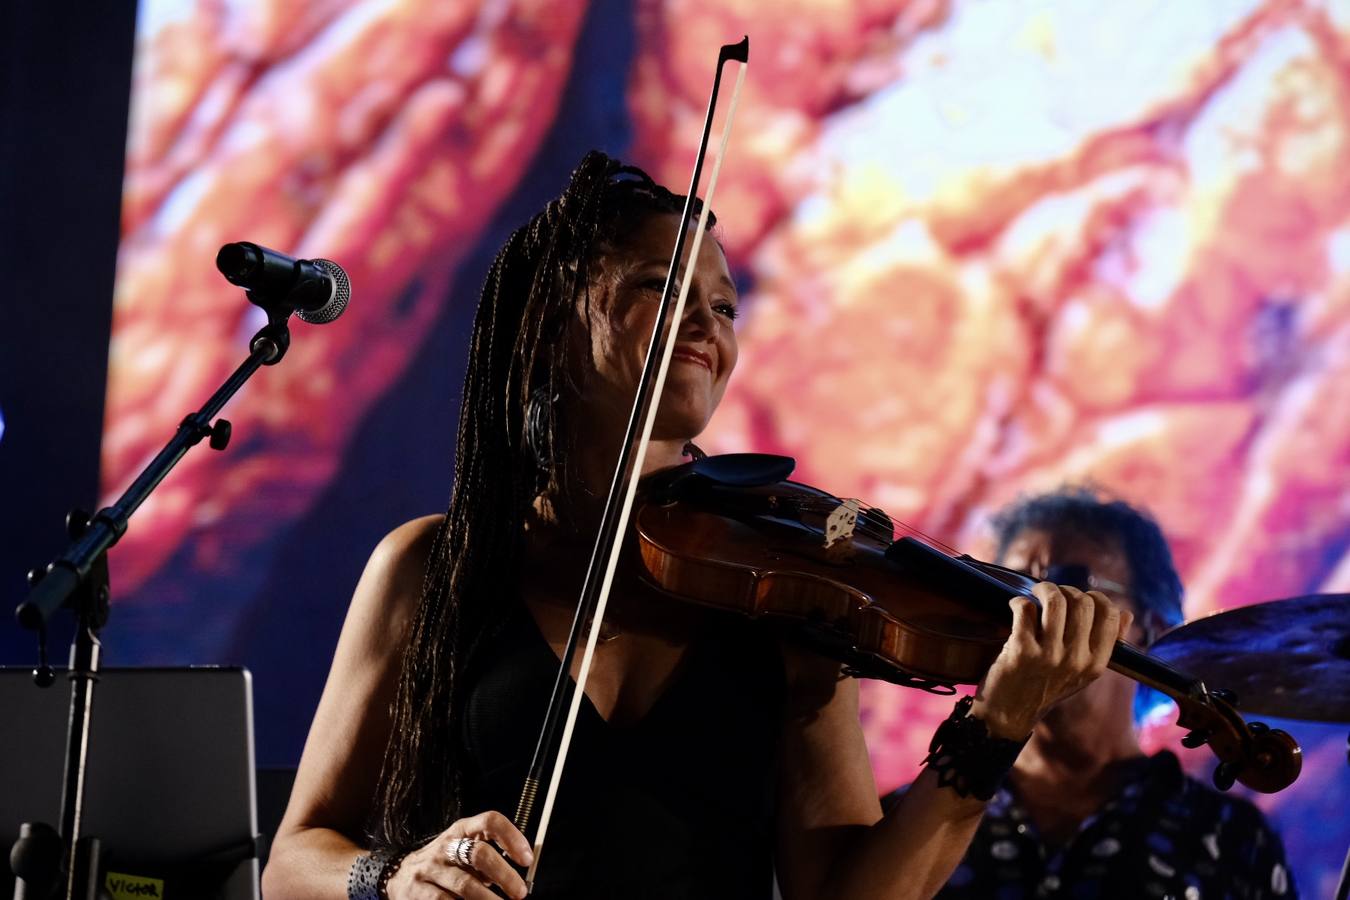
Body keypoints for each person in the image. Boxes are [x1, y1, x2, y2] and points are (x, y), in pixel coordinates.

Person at [261, 152, 1132, 900]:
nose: (706, 325)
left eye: (724, 306)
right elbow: (294, 860)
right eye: (659, 286)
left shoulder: (785, 589)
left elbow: (849, 893)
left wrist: (996, 724)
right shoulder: (433, 566)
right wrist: (394, 878)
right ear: (550, 323)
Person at [910, 488, 1296, 899]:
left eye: (1070, 586)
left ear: (1149, 628)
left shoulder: (1232, 839)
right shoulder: (911, 818)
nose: (1037, 609)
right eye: (1013, 588)